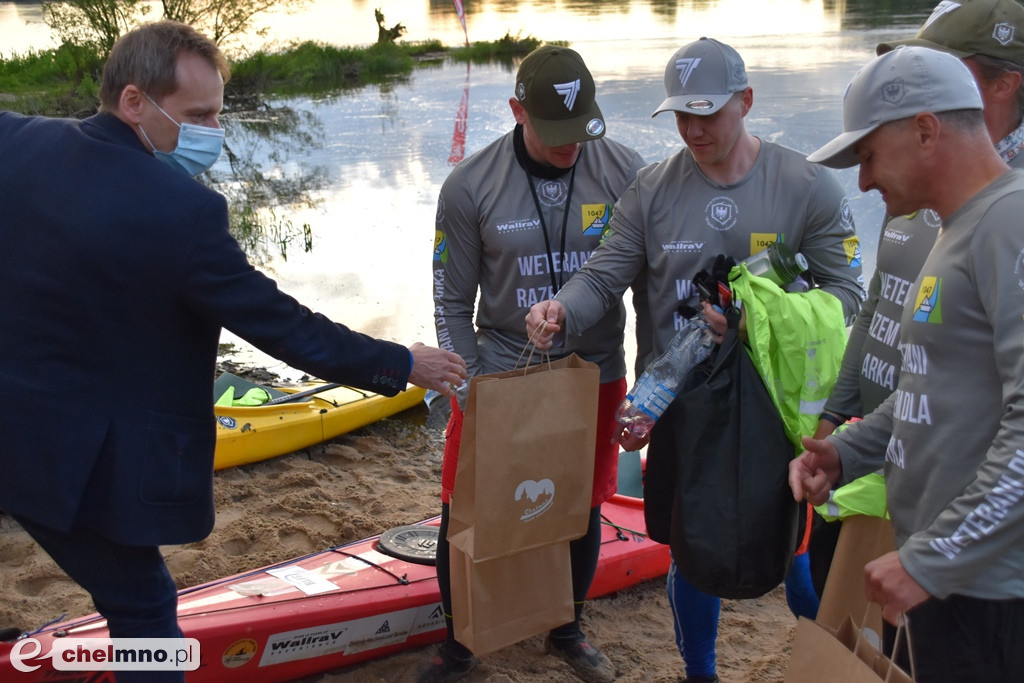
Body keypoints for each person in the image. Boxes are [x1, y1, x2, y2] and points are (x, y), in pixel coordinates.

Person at [0, 20, 466, 682]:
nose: (213, 133)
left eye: (218, 113)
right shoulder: (181, 211)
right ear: (134, 101)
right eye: (199, 115)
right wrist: (400, 362)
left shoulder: (17, 142)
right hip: (65, 457)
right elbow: (284, 328)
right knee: (144, 603)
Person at [526, 37, 864, 683]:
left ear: (747, 100)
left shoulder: (808, 185)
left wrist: (756, 316)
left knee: (794, 546)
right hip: (683, 402)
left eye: (708, 112)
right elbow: (602, 276)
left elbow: (847, 294)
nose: (695, 128)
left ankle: (832, 659)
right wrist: (561, 309)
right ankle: (700, 672)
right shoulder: (651, 187)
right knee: (693, 545)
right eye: (682, 114)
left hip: (776, 403)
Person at [791, 44, 1024, 682]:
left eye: (867, 156)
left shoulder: (1010, 223)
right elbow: (932, 385)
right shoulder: (953, 229)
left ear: (925, 130)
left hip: (993, 590)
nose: (861, 181)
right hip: (944, 572)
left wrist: (932, 560)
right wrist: (850, 449)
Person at [425, 45, 645, 683]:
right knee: (464, 506)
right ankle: (459, 642)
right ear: (517, 110)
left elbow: (655, 283)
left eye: (581, 133)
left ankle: (568, 628)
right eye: (554, 134)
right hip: (500, 374)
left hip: (594, 373)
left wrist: (656, 384)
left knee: (582, 507)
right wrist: (467, 389)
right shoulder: (470, 185)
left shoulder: (626, 172)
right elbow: (449, 297)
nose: (569, 147)